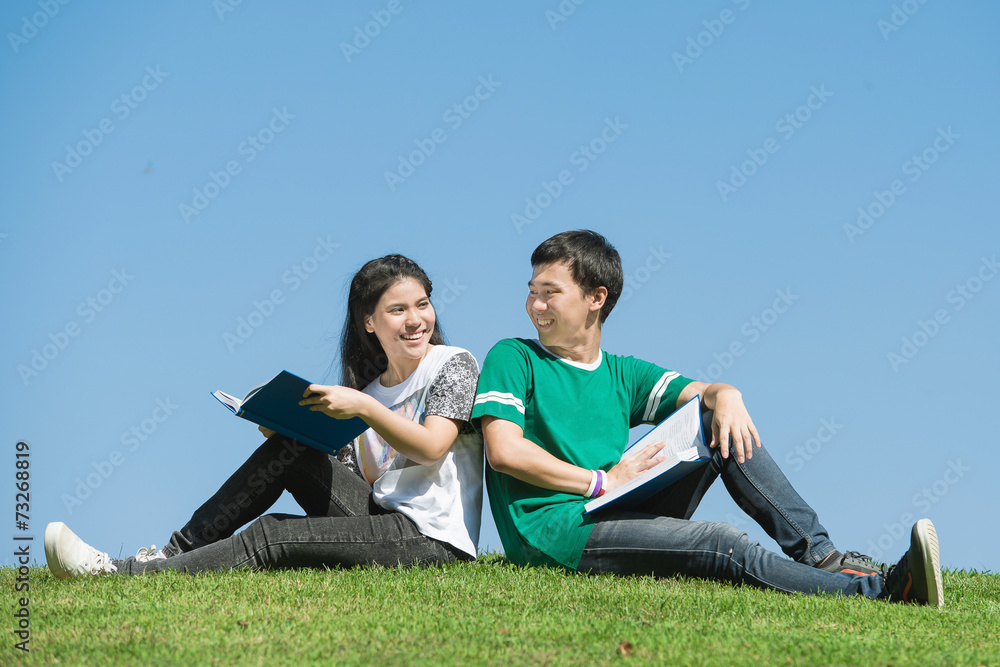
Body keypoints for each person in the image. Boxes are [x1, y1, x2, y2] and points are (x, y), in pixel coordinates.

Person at [472, 230, 943, 606]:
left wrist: (728, 395)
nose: (535, 305)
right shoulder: (514, 357)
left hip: (615, 508)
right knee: (721, 541)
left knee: (721, 425)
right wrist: (600, 482)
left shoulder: (621, 372)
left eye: (549, 293)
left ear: (596, 297)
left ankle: (823, 556)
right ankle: (882, 592)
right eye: (532, 292)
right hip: (556, 532)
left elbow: (704, 394)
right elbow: (504, 451)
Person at [46, 254, 484, 577]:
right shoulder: (366, 393)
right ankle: (170, 554)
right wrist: (291, 429)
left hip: (431, 539)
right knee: (288, 449)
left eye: (422, 304)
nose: (415, 320)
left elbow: (431, 448)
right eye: (398, 310)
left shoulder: (452, 364)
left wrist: (364, 409)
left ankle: (120, 575)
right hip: (380, 517)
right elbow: (363, 487)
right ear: (369, 322)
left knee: (273, 533)